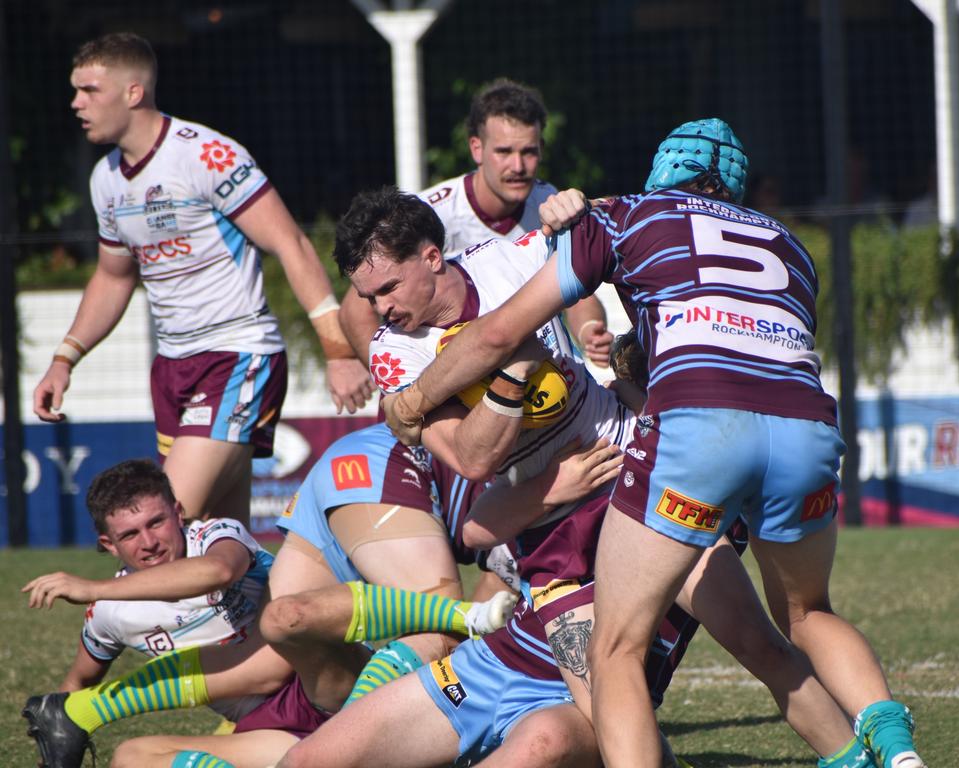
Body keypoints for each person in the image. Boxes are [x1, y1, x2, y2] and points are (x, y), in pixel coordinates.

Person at [380, 118, 927, 768]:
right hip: (806, 427)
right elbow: (723, 329)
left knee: (615, 650)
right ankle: (892, 751)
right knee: (805, 615)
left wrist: (411, 402)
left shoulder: (628, 215)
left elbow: (500, 336)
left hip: (697, 437)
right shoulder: (791, 246)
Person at [31, 32, 373, 526]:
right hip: (172, 369)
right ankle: (290, 604)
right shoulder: (105, 178)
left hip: (236, 355)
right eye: (75, 90)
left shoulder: (206, 155)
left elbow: (290, 243)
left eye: (88, 90)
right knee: (217, 546)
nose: (76, 103)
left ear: (133, 92)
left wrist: (338, 351)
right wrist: (65, 359)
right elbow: (112, 277)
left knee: (164, 524)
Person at [21, 455, 512, 768]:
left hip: (320, 679)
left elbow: (216, 573)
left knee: (281, 626)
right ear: (108, 543)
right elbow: (75, 683)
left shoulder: (216, 535)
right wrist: (64, 727)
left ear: (180, 513)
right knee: (132, 757)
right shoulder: (109, 613)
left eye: (157, 522)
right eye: (130, 535)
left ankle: (464, 619)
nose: (150, 542)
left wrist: (91, 587)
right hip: (266, 729)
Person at [334, 78, 613, 399]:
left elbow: (571, 282)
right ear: (476, 149)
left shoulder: (546, 199)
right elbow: (357, 309)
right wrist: (397, 389)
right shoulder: (430, 214)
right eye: (504, 152)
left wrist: (589, 330)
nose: (518, 166)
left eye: (529, 152)